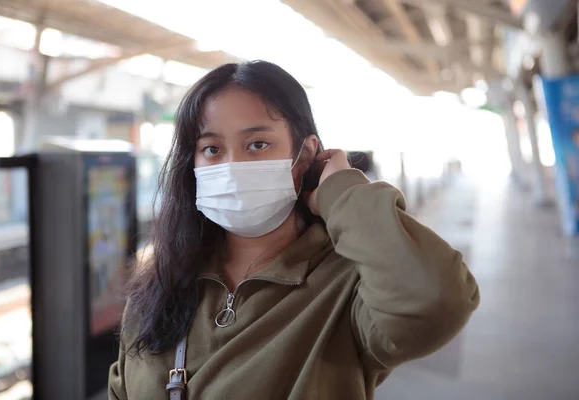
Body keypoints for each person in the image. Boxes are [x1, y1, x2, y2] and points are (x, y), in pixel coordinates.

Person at [109, 61, 479, 400]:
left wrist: (341, 192)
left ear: (304, 156)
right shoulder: (161, 281)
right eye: (212, 148)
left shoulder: (349, 286)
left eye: (257, 144)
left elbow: (437, 299)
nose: (233, 165)